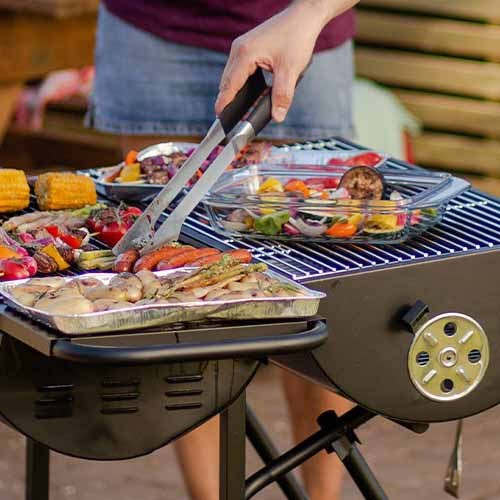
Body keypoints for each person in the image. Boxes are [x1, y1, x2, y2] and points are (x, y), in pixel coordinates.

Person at [88, 1, 359, 499]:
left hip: (305, 31)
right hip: (152, 29)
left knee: (318, 285)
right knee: (167, 290)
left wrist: (311, 13)